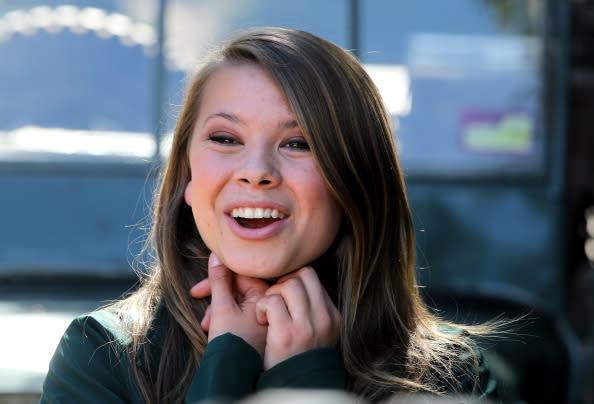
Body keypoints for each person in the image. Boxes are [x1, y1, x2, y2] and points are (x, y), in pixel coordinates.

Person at [40, 27, 498, 403]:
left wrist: (305, 377)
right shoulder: (102, 356)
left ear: (355, 181)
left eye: (298, 143)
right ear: (187, 176)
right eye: (225, 139)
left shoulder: (448, 374)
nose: (256, 172)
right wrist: (228, 363)